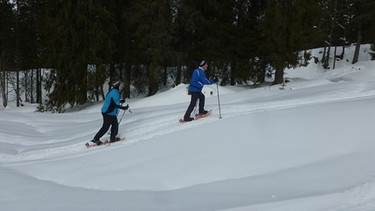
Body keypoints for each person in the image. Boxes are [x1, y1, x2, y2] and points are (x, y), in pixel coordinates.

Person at [91, 81, 129, 145]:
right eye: (121, 86)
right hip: (107, 112)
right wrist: (124, 108)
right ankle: (96, 139)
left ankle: (112, 138)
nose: (122, 88)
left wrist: (120, 101)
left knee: (115, 125)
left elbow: (113, 101)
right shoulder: (114, 93)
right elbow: (114, 104)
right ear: (117, 86)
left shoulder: (115, 92)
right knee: (106, 127)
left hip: (111, 112)